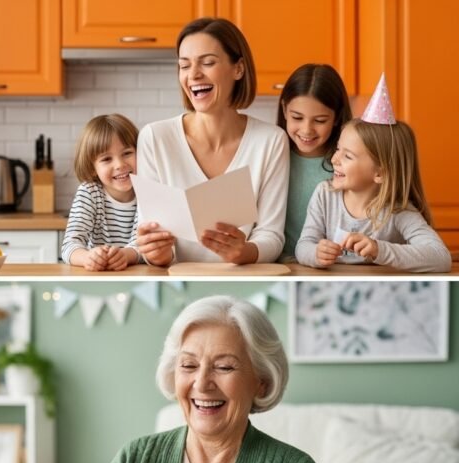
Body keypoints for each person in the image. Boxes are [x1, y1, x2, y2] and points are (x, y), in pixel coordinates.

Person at [54, 296, 334, 463]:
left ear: (260, 381)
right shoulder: (135, 459)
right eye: (188, 365)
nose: (201, 383)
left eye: (224, 367)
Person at [135, 18, 289, 266]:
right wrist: (157, 254)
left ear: (238, 69)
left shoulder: (270, 142)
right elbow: (153, 235)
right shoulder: (156, 138)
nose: (194, 74)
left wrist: (245, 252)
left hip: (244, 281)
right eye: (184, 66)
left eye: (207, 63)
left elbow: (271, 234)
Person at [295, 75, 451, 273]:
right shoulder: (325, 194)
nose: (334, 159)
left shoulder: (398, 211)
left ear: (380, 173)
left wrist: (380, 250)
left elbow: (441, 258)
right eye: (337, 149)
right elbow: (303, 246)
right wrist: (315, 253)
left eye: (348, 156)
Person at [276, 64, 352, 262]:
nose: (306, 130)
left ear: (336, 118)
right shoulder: (272, 157)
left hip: (333, 266)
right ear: (284, 110)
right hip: (280, 265)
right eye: (297, 117)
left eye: (319, 120)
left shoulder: (347, 167)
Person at [61, 114, 141, 271]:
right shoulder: (90, 192)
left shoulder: (148, 191)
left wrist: (125, 255)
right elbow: (69, 245)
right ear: (92, 168)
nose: (119, 164)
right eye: (106, 159)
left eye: (127, 153)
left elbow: (145, 246)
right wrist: (87, 257)